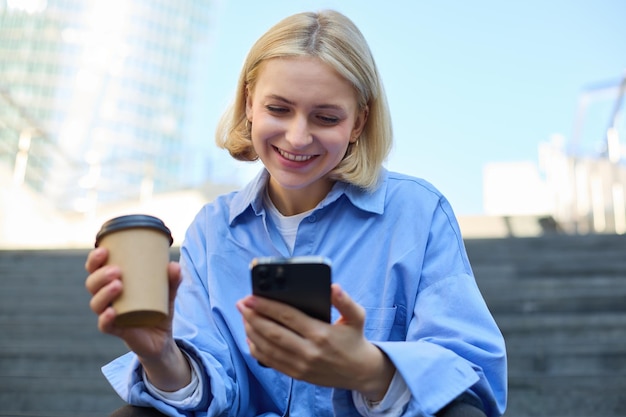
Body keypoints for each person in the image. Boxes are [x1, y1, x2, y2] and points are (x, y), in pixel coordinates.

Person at [85, 9, 507, 417]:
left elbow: (470, 377)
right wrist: (161, 357)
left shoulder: (418, 213)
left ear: (358, 124)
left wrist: (370, 369)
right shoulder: (211, 231)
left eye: (326, 117)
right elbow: (211, 391)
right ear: (250, 104)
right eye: (278, 109)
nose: (298, 137)